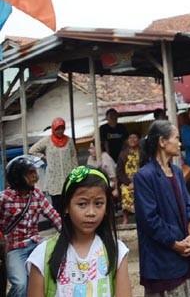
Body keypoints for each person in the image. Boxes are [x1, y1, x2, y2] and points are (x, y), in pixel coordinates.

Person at [25, 165, 130, 297]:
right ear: (66, 207)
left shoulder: (117, 251)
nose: (91, 213)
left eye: (98, 203)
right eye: (82, 204)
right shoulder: (42, 255)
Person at [133, 120, 190, 296]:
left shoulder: (177, 171)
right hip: (163, 259)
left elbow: (189, 205)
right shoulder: (144, 176)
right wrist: (176, 244)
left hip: (187, 252)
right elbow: (149, 220)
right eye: (176, 138)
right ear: (162, 142)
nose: (180, 143)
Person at [0, 156, 62, 297]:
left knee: (53, 276)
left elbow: (54, 216)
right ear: (18, 177)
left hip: (36, 245)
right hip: (14, 248)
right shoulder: (5, 198)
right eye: (30, 173)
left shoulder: (37, 195)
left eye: (35, 171)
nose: (35, 176)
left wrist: (69, 235)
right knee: (21, 285)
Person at [29, 118, 78, 213]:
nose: (60, 131)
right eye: (57, 129)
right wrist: (44, 157)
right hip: (54, 180)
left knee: (70, 207)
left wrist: (76, 175)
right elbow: (32, 150)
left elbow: (74, 158)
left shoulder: (69, 141)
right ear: (53, 129)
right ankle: (60, 227)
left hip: (68, 178)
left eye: (62, 128)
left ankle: (69, 226)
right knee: (58, 208)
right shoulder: (47, 141)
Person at [115, 134, 140, 225]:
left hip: (140, 180)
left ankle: (140, 217)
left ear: (138, 139)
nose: (132, 140)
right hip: (127, 182)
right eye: (130, 138)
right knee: (125, 191)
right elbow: (119, 171)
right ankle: (125, 218)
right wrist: (128, 182)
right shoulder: (123, 154)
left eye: (135, 137)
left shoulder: (142, 153)